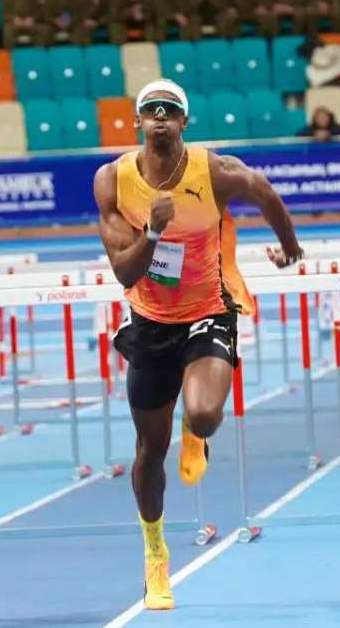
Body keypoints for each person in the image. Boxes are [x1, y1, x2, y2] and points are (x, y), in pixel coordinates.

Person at [94, 79, 302, 611]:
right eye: (150, 111)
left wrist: (291, 250)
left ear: (184, 123)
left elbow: (268, 195)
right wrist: (155, 234)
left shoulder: (216, 171)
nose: (160, 118)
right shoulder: (112, 181)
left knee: (205, 414)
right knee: (148, 450)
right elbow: (123, 272)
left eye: (170, 111)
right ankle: (156, 554)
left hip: (208, 309)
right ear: (137, 122)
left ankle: (198, 430)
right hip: (149, 321)